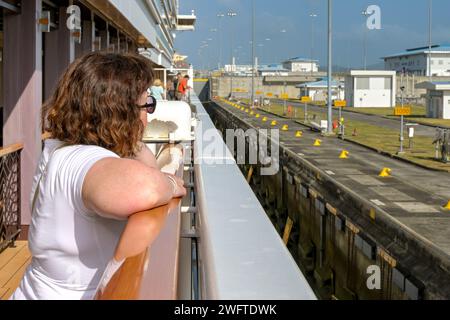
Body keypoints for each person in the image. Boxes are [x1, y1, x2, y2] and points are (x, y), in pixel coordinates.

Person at [11, 52, 186, 300]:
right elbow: (147, 187)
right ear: (121, 111)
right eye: (146, 105)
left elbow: (147, 167)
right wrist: (170, 181)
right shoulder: (82, 160)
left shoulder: (63, 149)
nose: (148, 115)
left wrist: (130, 135)